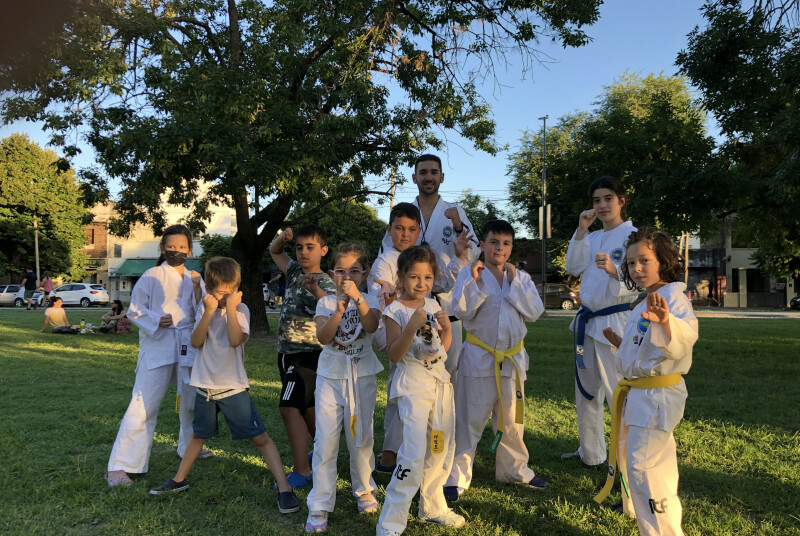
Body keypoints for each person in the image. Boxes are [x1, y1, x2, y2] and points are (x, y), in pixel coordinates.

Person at [150, 257, 300, 514]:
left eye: (232, 291)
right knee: (198, 435)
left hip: (232, 387)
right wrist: (208, 311)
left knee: (259, 438)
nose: (227, 297)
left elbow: (234, 340)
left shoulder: (241, 310)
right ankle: (179, 479)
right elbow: (196, 342)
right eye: (221, 293)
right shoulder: (204, 309)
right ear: (209, 290)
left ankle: (284, 488)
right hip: (204, 387)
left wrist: (230, 307)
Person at [594, 228, 697, 536]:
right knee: (638, 460)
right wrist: (622, 345)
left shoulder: (674, 299)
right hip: (640, 395)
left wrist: (667, 322)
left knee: (646, 467)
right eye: (630, 263)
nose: (636, 268)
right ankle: (640, 514)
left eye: (644, 261)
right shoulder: (645, 301)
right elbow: (644, 347)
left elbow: (685, 338)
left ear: (663, 261)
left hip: (657, 396)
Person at [443, 220, 547, 503]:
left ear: (511, 247)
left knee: (512, 419)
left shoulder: (520, 277)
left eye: (506, 243)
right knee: (470, 419)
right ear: (482, 245)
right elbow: (461, 311)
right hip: (479, 358)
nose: (499, 248)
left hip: (512, 360)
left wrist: (515, 283)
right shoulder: (469, 274)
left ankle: (514, 469)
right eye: (493, 242)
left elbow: (535, 312)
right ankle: (456, 476)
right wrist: (476, 284)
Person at [106, 224, 208, 487]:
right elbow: (134, 310)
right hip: (158, 344)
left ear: (190, 249)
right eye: (171, 247)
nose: (176, 251)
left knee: (190, 401)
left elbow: (204, 311)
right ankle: (120, 465)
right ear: (162, 248)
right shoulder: (150, 276)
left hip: (187, 343)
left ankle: (188, 445)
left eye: (182, 247)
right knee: (144, 403)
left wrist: (199, 290)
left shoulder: (195, 277)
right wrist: (155, 319)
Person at [376, 246, 465, 536]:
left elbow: (440, 351)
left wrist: (446, 330)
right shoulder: (394, 311)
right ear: (401, 277)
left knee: (439, 448)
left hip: (439, 386)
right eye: (414, 277)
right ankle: (391, 521)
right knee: (413, 453)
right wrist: (411, 326)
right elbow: (394, 354)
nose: (421, 283)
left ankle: (433, 506)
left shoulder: (433, 305)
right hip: (414, 389)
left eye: (427, 277)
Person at [380, 154, 480, 383]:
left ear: (441, 177)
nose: (428, 177)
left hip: (446, 301)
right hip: (409, 299)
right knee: (405, 362)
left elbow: (473, 252)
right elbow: (388, 251)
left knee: (449, 364)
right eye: (423, 172)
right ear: (414, 177)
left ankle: (444, 407)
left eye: (434, 172)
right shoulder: (405, 211)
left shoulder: (455, 211)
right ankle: (404, 405)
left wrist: (458, 226)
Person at [562, 176, 639, 467]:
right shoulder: (592, 237)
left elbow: (641, 282)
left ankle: (624, 456)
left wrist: (614, 271)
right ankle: (591, 453)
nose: (602, 205)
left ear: (622, 201)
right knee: (586, 391)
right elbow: (573, 266)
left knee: (616, 391)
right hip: (587, 322)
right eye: (596, 200)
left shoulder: (635, 237)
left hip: (614, 322)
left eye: (608, 198)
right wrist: (581, 229)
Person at [305, 243, 383, 532]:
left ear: (365, 273)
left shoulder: (371, 299)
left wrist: (357, 299)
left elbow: (371, 326)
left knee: (361, 436)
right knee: (325, 441)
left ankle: (364, 489)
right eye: (341, 271)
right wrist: (338, 311)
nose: (347, 277)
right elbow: (323, 337)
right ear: (331, 273)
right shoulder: (325, 303)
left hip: (362, 375)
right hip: (330, 377)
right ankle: (320, 503)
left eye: (354, 271)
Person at [269, 225, 337, 489]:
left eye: (310, 247)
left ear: (323, 250)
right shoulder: (296, 270)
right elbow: (275, 252)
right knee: (306, 406)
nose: (303, 252)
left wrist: (316, 291)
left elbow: (335, 312)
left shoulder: (326, 282)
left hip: (308, 355)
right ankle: (323, 453)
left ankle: (302, 470)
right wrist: (282, 238)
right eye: (299, 247)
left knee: (288, 407)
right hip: (286, 353)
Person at [368, 202, 422, 474]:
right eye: (399, 228)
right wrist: (394, 293)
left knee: (410, 385)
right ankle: (390, 455)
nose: (405, 234)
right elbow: (382, 295)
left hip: (410, 326)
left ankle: (402, 451)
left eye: (411, 229)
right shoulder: (385, 261)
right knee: (402, 384)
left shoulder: (421, 257)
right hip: (386, 327)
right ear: (389, 230)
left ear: (419, 231)